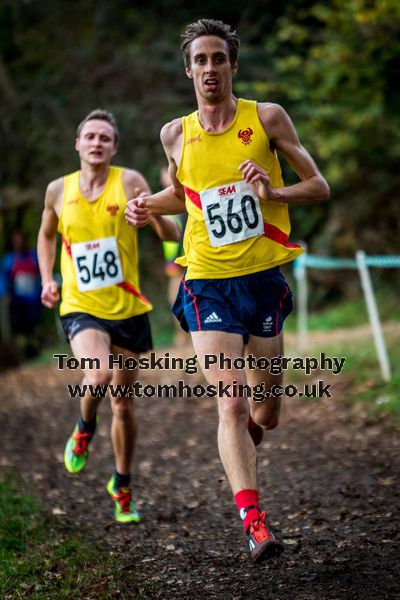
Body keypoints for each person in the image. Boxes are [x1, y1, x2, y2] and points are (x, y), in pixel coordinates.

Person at [125, 19, 329, 562]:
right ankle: (254, 521)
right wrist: (145, 207)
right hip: (206, 280)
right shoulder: (175, 133)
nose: (210, 68)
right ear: (189, 69)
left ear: (232, 65)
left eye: (219, 58)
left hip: (263, 278)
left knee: (267, 410)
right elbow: (181, 195)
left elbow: (319, 186)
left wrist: (273, 189)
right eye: (201, 60)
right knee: (231, 402)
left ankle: (255, 432)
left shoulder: (266, 118)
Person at [37, 109, 180, 524]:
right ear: (78, 144)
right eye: (90, 136)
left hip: (129, 309)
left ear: (114, 147)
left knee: (123, 405)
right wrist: (48, 278)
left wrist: (150, 212)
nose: (97, 143)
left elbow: (170, 233)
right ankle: (83, 429)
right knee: (96, 376)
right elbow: (46, 235)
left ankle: (122, 483)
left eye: (104, 138)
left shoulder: (130, 181)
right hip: (80, 305)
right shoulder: (57, 191)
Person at [0, 229, 42, 356]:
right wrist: (4, 293)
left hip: (34, 299)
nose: (19, 244)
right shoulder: (9, 259)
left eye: (21, 241)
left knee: (34, 324)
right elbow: (2, 278)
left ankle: (35, 346)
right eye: (16, 242)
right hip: (18, 300)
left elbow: (42, 273)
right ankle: (24, 350)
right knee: (19, 326)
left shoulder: (33, 255)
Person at [160, 167, 188, 346]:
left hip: (192, 246)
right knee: (176, 288)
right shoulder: (161, 200)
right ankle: (181, 333)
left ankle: (189, 332)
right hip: (174, 251)